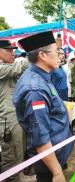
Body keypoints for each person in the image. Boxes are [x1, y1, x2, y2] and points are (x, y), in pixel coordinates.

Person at [13, 31, 73, 182]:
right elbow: (40, 137)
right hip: (48, 164)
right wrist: (57, 172)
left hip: (55, 154)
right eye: (57, 51)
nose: (60, 55)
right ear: (43, 55)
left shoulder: (42, 75)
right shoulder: (36, 89)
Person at [0, 40, 29, 181]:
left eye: (13, 50)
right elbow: (23, 65)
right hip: (7, 122)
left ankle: (20, 176)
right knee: (11, 156)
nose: (13, 53)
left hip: (15, 118)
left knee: (19, 151)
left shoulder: (7, 66)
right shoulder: (2, 68)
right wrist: (41, 51)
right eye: (8, 50)